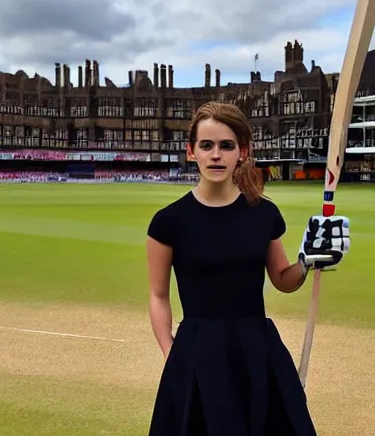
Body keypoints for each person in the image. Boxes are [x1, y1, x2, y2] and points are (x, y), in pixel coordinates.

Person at [145, 101, 350, 435]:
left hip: (256, 347)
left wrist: (308, 260)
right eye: (206, 145)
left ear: (242, 151)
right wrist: (172, 353)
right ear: (191, 152)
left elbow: (283, 280)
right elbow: (157, 295)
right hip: (198, 350)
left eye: (226, 146)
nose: (216, 155)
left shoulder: (263, 214)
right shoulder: (169, 221)